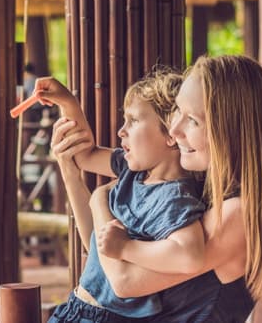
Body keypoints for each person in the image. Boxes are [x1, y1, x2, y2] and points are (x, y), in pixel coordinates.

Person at [77, 55, 262, 321]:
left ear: (230, 130)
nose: (174, 129)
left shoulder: (237, 214)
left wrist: (100, 199)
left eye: (193, 120)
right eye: (177, 113)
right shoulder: (200, 191)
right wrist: (71, 173)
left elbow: (124, 281)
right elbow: (101, 259)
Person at [36, 70, 208, 321]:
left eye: (134, 120)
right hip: (77, 307)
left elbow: (190, 254)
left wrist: (126, 247)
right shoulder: (133, 171)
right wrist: (68, 103)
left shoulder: (174, 198)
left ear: (171, 134)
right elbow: (84, 155)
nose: (121, 131)